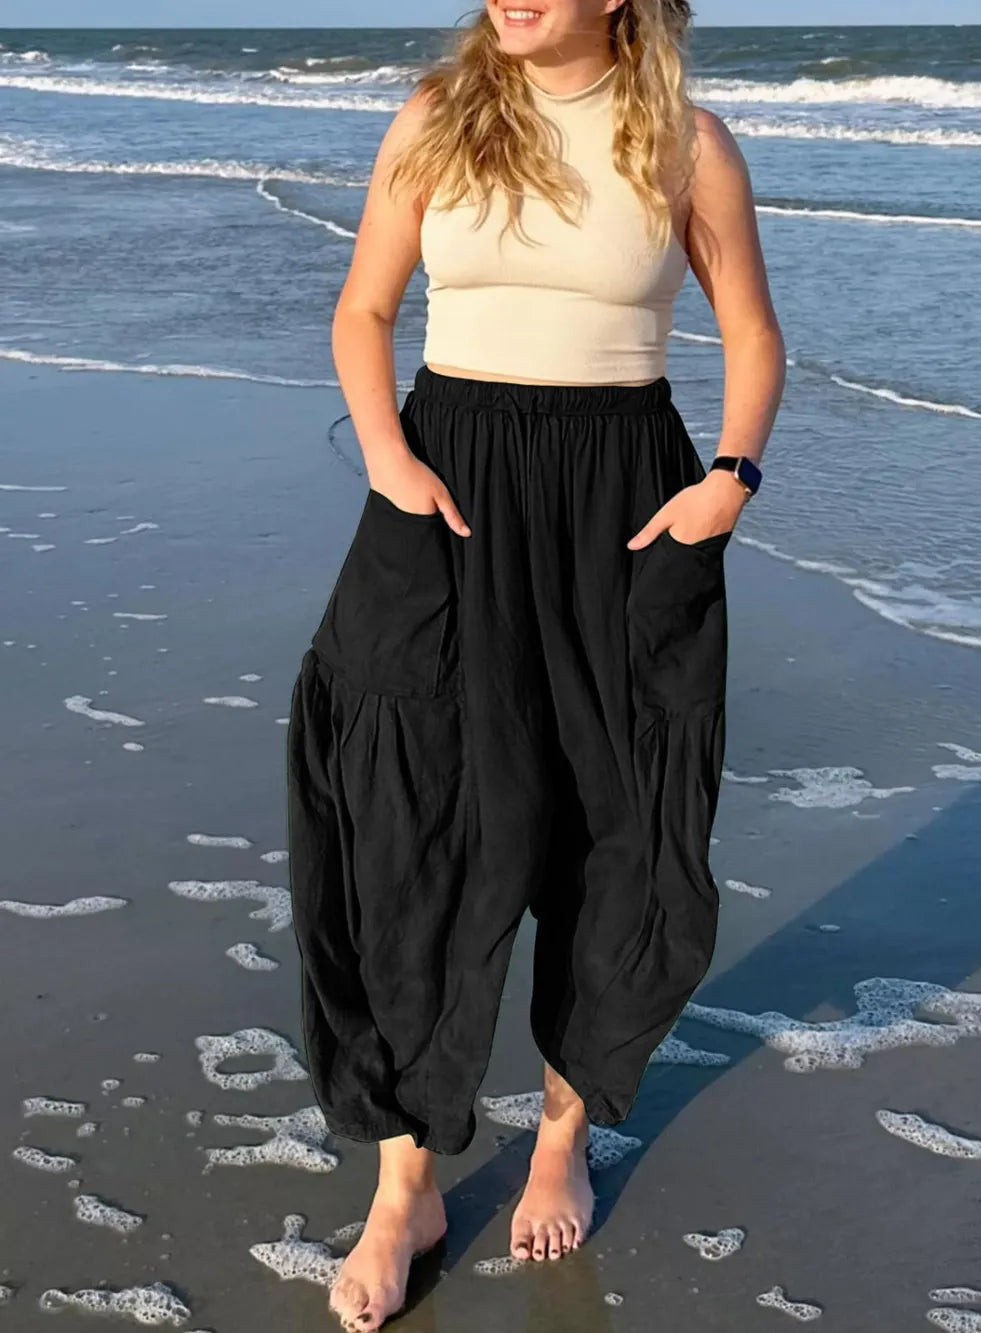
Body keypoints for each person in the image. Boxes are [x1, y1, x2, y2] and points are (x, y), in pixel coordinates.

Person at [286, 0, 785, 1328]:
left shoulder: (687, 144)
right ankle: (408, 1183)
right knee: (410, 817)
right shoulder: (435, 119)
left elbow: (750, 332)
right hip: (444, 493)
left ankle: (561, 1125)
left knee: (614, 828)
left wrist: (731, 475)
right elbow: (364, 309)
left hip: (625, 504)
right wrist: (387, 456)